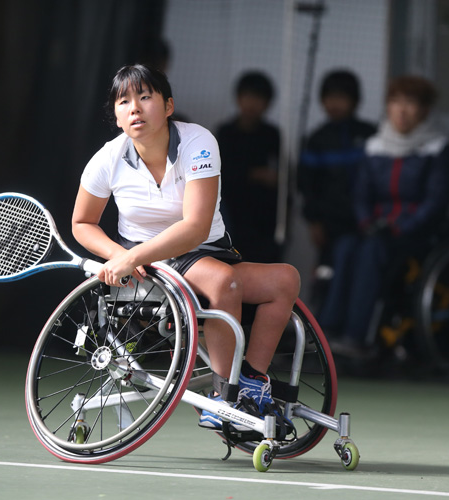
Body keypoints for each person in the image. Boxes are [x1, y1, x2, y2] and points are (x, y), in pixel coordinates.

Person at [72, 64, 300, 430]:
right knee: (224, 282)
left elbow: (195, 228)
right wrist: (120, 255)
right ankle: (223, 399)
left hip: (202, 250)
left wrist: (132, 257)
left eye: (145, 97)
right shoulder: (107, 159)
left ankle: (252, 385)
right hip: (153, 268)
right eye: (124, 101)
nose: (135, 108)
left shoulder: (198, 142)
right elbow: (82, 224)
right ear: (116, 116)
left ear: (168, 106)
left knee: (284, 280)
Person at [322, 75, 449, 354]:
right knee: (346, 246)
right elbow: (361, 195)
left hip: (416, 236)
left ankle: (355, 336)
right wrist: (366, 222)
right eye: (395, 102)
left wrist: (400, 227)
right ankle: (326, 332)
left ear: (425, 110)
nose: (402, 110)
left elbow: (436, 202)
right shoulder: (376, 146)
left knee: (372, 251)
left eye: (410, 103)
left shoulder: (439, 149)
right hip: (376, 229)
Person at [297, 69, 376, 315]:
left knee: (359, 273)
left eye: (342, 97)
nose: (335, 104)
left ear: (355, 100)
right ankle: (321, 326)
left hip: (365, 222)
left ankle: (349, 325)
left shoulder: (370, 135)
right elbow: (307, 186)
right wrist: (314, 222)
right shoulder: (317, 139)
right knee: (326, 273)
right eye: (329, 97)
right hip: (329, 224)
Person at [216, 71, 281, 263]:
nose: (252, 104)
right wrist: (255, 175)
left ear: (268, 103)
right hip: (231, 212)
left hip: (264, 216)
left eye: (259, 98)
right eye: (247, 97)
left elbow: (284, 176)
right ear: (238, 98)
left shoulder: (273, 135)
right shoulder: (226, 133)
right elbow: (218, 172)